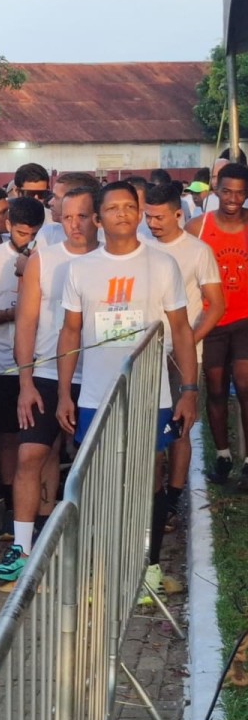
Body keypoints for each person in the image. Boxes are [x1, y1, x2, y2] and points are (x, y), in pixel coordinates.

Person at [56, 181, 199, 598]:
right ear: (98, 219)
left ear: (139, 213)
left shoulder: (162, 264)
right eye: (112, 208)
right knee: (98, 483)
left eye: (128, 207)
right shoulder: (80, 269)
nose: (122, 214)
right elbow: (70, 332)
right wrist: (65, 393)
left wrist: (188, 389)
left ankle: (147, 567)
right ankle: (99, 568)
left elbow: (182, 330)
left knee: (147, 480)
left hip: (149, 396)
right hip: (95, 396)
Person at [0, 187, 100, 582]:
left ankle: (92, 548)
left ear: (96, 217)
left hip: (98, 375)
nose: (75, 225)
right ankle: (22, 545)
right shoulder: (43, 260)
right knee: (30, 456)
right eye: (67, 217)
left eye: (83, 216)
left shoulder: (109, 260)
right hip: (48, 375)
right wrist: (26, 381)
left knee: (94, 465)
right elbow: (27, 323)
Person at [142, 183, 223, 526]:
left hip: (184, 355)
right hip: (146, 352)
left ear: (178, 214)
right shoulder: (140, 247)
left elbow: (216, 305)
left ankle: (173, 498)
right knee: (148, 428)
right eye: (148, 216)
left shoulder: (198, 251)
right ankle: (151, 495)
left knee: (180, 428)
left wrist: (188, 341)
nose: (153, 223)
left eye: (159, 217)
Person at [0, 197, 45, 542]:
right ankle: (9, 506)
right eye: (19, 232)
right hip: (1, 363)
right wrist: (12, 315)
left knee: (36, 442)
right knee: (7, 437)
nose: (25, 239)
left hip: (42, 362)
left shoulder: (49, 256)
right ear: (8, 225)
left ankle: (33, 510)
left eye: (32, 234)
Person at [186, 162, 248, 485]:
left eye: (240, 192)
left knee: (245, 382)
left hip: (245, 320)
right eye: (227, 191)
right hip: (210, 320)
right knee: (216, 388)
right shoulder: (197, 227)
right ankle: (223, 456)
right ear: (216, 190)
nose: (233, 198)